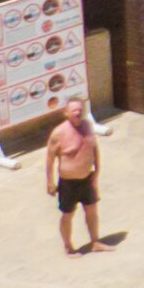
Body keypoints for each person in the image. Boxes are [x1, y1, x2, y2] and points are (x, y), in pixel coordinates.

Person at [46, 97, 108, 256]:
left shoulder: (87, 126)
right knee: (68, 215)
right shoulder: (59, 133)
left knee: (92, 210)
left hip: (87, 178)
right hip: (68, 182)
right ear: (66, 113)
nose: (78, 112)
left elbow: (94, 147)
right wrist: (50, 182)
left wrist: (97, 170)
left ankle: (95, 242)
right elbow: (50, 158)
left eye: (80, 109)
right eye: (74, 110)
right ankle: (68, 247)